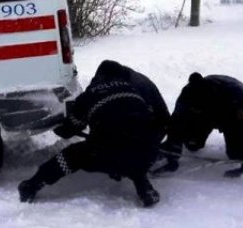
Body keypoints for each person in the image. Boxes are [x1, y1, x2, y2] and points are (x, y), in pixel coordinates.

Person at [17, 60, 162, 207]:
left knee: (73, 155)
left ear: (98, 76)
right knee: (135, 148)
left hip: (111, 151)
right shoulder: (132, 89)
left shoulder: (91, 93)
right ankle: (143, 186)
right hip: (150, 151)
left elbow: (69, 129)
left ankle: (32, 184)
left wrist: (59, 127)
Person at [154, 73, 243, 178]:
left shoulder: (236, 100)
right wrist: (173, 153)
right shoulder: (186, 97)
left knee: (235, 155)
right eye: (194, 109)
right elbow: (176, 124)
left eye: (199, 109)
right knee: (193, 145)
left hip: (228, 112)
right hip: (207, 116)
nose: (196, 110)